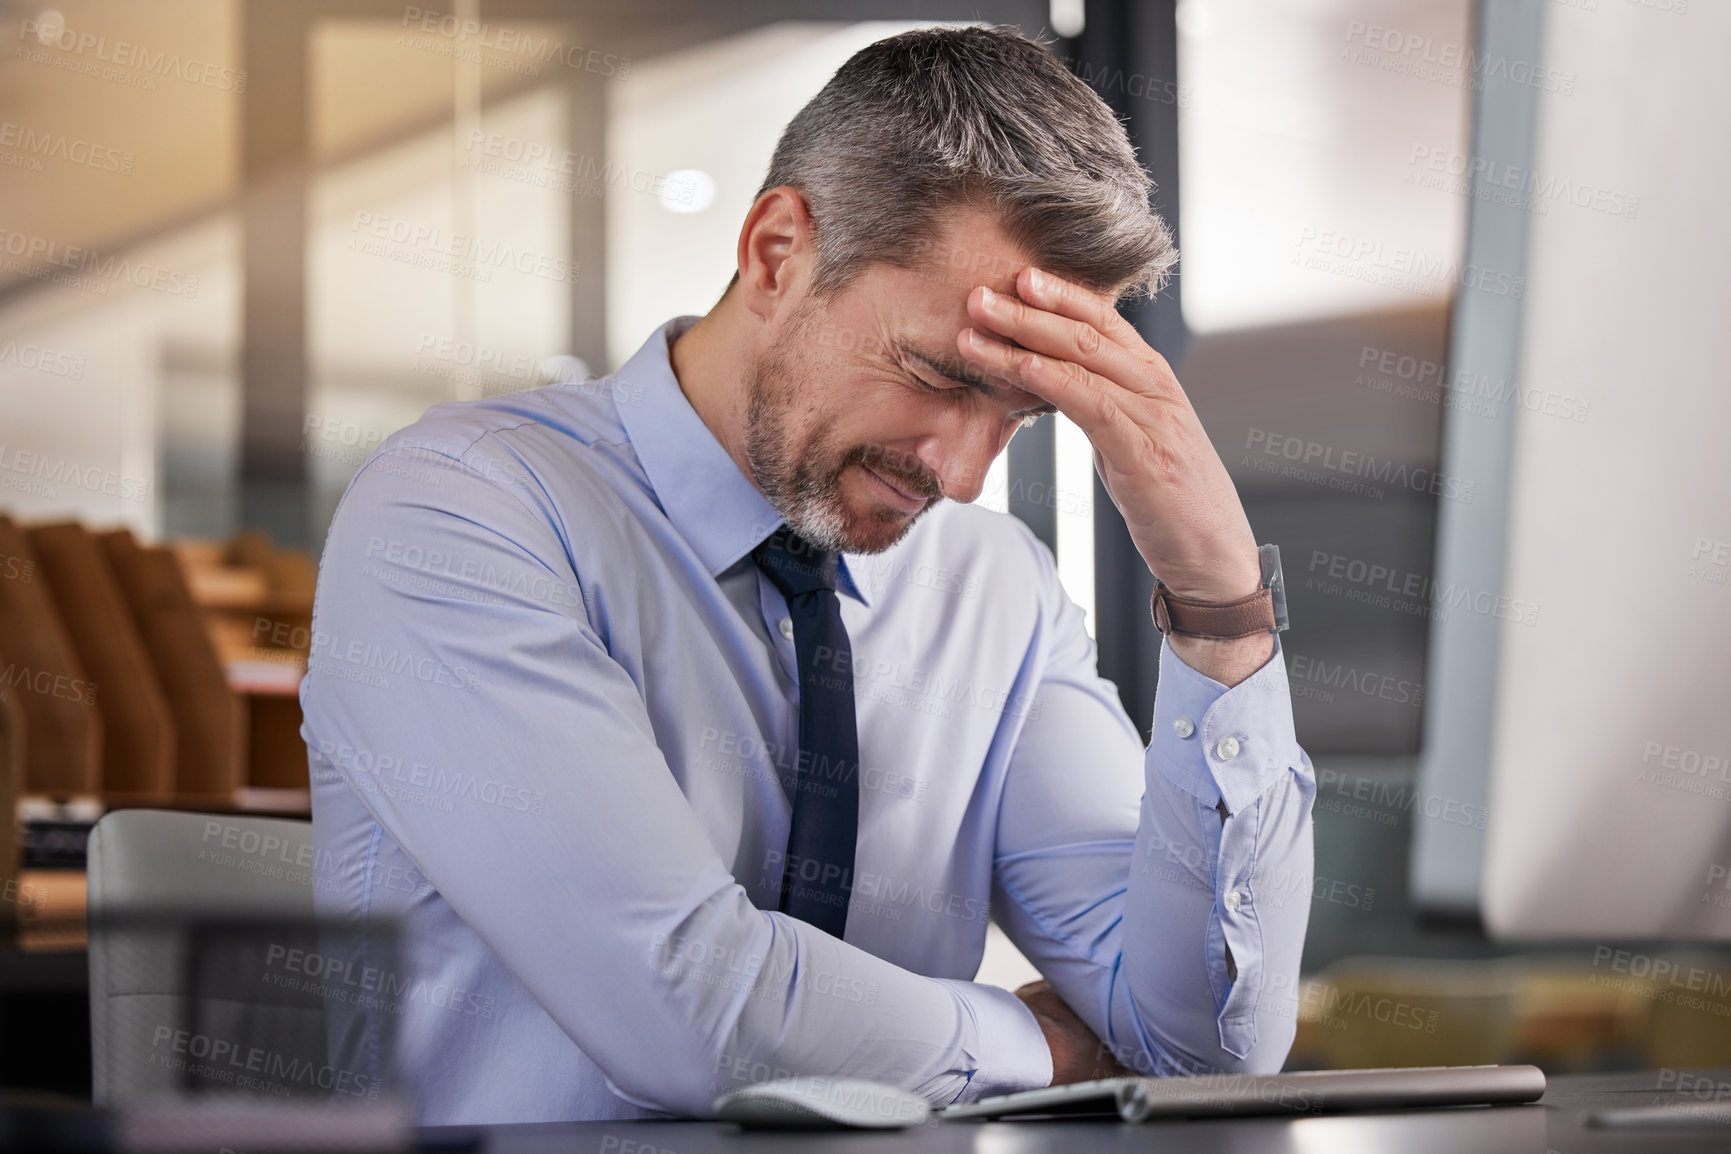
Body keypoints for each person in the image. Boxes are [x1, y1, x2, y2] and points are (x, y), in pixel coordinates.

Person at [303, 23, 1315, 1126]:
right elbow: (693, 1012)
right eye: (935, 373)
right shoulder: (461, 511)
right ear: (778, 251)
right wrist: (1036, 1042)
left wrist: (1218, 599)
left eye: (1022, 415)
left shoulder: (992, 586)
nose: (966, 475)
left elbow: (1202, 1038)